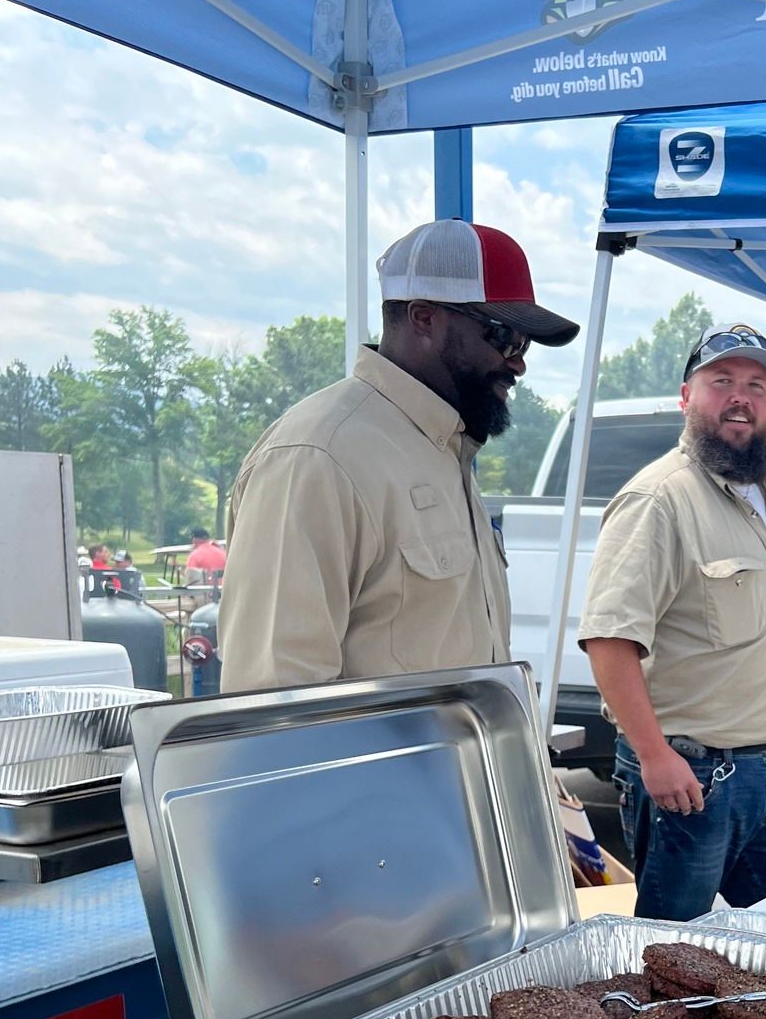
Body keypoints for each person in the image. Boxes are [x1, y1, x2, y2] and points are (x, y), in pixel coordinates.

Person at [218, 221, 576, 693]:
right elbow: (273, 701)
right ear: (424, 318)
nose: (518, 362)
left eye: (524, 344)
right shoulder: (317, 457)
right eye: (504, 335)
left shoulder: (443, 448)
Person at [579, 323, 766, 920]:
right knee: (671, 958)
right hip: (690, 780)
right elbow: (610, 640)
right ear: (687, 397)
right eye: (722, 382)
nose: (741, 397)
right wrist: (654, 754)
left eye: (756, 386)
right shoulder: (659, 500)